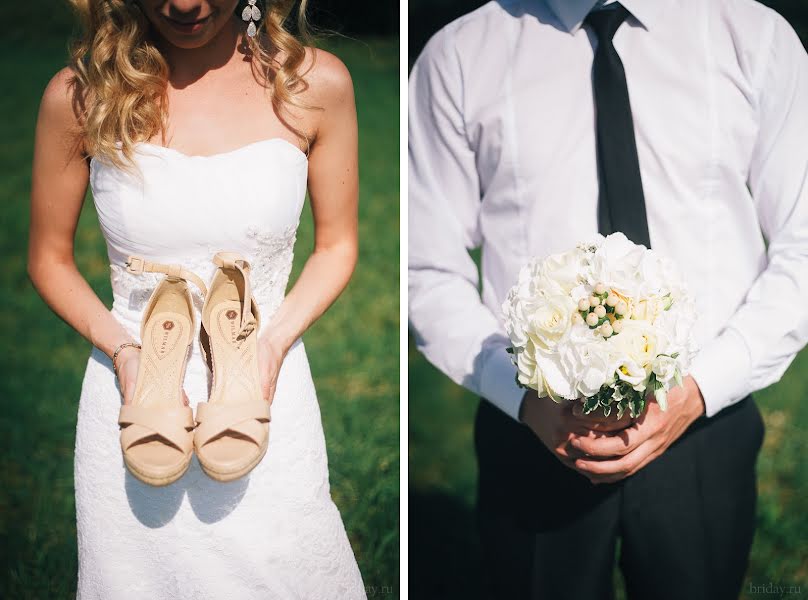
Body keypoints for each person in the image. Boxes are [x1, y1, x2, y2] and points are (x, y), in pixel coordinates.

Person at [408, 0, 808, 598]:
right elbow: (425, 265)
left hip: (706, 425)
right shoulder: (460, 56)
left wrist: (697, 391)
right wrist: (522, 398)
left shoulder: (753, 36)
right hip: (534, 431)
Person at [28, 0, 366, 597]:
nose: (186, 4)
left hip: (263, 380)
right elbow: (49, 260)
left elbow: (336, 246)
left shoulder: (317, 85)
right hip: (132, 387)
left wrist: (273, 346)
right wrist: (125, 354)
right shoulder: (80, 95)